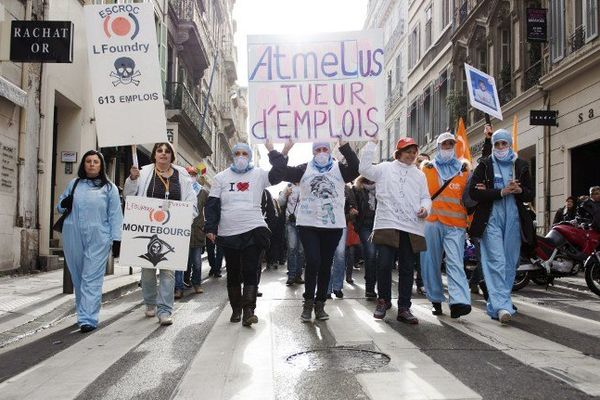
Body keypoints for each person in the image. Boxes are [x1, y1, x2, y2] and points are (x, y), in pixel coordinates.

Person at [268, 139, 359, 322]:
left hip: (332, 226)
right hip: (308, 224)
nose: (322, 152)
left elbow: (355, 168)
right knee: (313, 261)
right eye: (318, 149)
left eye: (325, 149)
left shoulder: (339, 169)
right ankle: (308, 302)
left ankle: (320, 304)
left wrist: (344, 145)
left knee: (326, 264)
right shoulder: (303, 169)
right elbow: (280, 173)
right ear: (313, 152)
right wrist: (283, 150)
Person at [204, 143, 278, 327]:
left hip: (253, 229)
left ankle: (249, 311)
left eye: (245, 153)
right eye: (237, 153)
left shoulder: (259, 174)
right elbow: (212, 204)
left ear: (250, 156)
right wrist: (211, 228)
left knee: (251, 269)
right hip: (229, 232)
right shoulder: (221, 178)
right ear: (232, 156)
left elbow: (278, 174)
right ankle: (236, 309)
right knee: (234, 271)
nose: (241, 156)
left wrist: (275, 151)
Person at [359, 137, 431, 324]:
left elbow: (426, 197)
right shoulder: (385, 168)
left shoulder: (419, 175)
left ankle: (404, 308)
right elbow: (364, 169)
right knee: (383, 264)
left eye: (414, 151)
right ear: (398, 153)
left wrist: (425, 208)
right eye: (408, 151)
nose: (412, 154)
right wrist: (372, 144)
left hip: (411, 225)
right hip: (387, 223)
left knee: (407, 268)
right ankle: (383, 301)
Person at [124, 142, 197, 326]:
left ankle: (165, 310)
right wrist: (132, 180)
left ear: (172, 156)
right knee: (148, 270)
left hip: (172, 231)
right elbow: (129, 197)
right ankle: (150, 302)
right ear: (154, 155)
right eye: (159, 151)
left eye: (167, 151)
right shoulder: (144, 173)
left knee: (168, 271)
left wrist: (184, 220)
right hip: (148, 227)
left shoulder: (183, 176)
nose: (163, 154)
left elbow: (191, 202)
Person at [468, 129, 534, 324]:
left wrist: (520, 190)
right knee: (496, 261)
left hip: (514, 219)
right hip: (491, 220)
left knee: (511, 263)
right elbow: (473, 192)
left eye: (504, 143)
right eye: (497, 144)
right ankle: (503, 307)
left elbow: (530, 194)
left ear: (510, 144)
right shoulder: (485, 165)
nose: (500, 147)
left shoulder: (521, 165)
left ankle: (496, 304)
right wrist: (500, 192)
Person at [57, 150, 123, 333]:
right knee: (78, 276)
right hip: (73, 234)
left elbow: (116, 215)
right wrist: (64, 204)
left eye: (95, 161)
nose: (92, 164)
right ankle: (82, 312)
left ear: (101, 165)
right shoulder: (74, 184)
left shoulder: (110, 188)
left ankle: (88, 318)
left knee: (91, 277)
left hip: (99, 237)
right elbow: (60, 206)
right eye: (88, 161)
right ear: (83, 164)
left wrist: (116, 240)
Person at [420, 132, 472, 319]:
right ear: (438, 147)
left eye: (451, 144)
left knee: (455, 262)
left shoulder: (464, 171)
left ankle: (459, 301)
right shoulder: (427, 169)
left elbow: (469, 199)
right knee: (430, 263)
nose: (448, 148)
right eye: (444, 145)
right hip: (431, 223)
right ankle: (435, 300)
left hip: (455, 225)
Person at [174, 166, 209, 299]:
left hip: (197, 232)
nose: (191, 176)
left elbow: (208, 209)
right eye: (189, 173)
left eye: (194, 174)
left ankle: (197, 283)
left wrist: (208, 227)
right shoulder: (178, 189)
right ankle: (178, 287)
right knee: (179, 262)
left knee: (197, 261)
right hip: (181, 231)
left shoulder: (203, 192)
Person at [328, 184, 358, 298]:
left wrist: (351, 213)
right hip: (326, 225)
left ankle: (337, 287)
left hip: (341, 224)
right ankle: (326, 288)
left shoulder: (346, 188)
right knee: (327, 257)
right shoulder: (324, 184)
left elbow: (353, 206)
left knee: (340, 255)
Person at [353, 176, 378, 298]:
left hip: (380, 225)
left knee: (380, 257)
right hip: (365, 225)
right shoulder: (358, 189)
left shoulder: (382, 187)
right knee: (371, 253)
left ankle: (381, 289)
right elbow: (352, 206)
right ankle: (370, 288)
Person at [279, 183, 305, 286]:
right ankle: (291, 275)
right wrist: (286, 194)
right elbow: (280, 202)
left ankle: (298, 275)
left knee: (301, 251)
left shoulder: (306, 185)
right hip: (291, 222)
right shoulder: (289, 186)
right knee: (292, 248)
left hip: (304, 222)